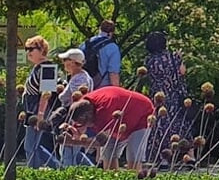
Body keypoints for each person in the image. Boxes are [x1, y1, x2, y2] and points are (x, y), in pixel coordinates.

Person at [65, 83, 156, 172]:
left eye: (85, 124)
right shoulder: (83, 104)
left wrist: (73, 141)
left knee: (133, 156)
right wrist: (74, 131)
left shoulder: (103, 112)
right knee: (108, 155)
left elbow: (100, 142)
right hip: (119, 115)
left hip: (142, 114)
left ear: (91, 117)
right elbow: (79, 122)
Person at [143, 30, 189, 166]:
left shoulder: (149, 61)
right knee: (178, 124)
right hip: (175, 95)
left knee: (160, 126)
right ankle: (187, 156)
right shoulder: (173, 57)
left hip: (158, 96)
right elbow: (182, 72)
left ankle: (163, 157)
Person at [20, 36, 63, 169]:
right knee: (33, 146)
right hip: (31, 110)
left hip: (39, 110)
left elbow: (46, 93)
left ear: (41, 50)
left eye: (31, 49)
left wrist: (40, 115)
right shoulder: (37, 68)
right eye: (27, 49)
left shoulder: (48, 67)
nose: (28, 52)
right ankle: (53, 168)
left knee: (31, 146)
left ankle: (53, 168)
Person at [54, 47, 95, 167]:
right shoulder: (84, 76)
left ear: (72, 62)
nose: (63, 63)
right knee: (73, 151)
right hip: (78, 120)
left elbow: (77, 101)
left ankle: (69, 178)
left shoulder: (79, 79)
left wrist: (74, 124)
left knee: (68, 151)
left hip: (73, 120)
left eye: (65, 60)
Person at [85, 19, 121, 88]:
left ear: (99, 29)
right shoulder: (113, 48)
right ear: (111, 33)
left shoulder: (86, 44)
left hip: (85, 87)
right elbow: (113, 74)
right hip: (102, 89)